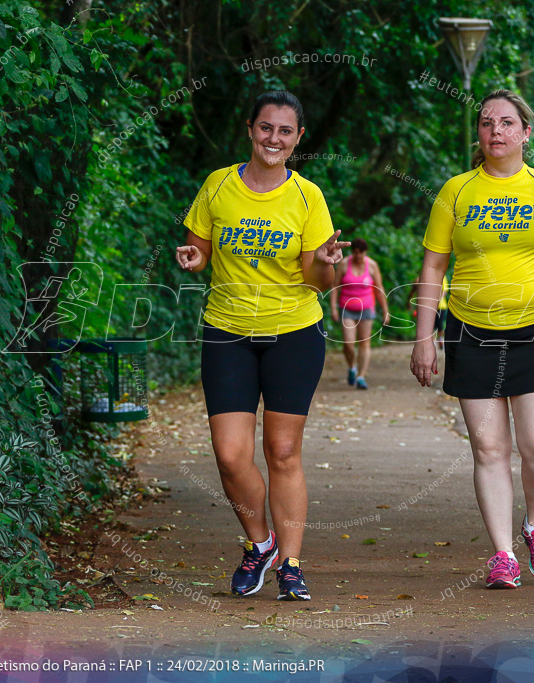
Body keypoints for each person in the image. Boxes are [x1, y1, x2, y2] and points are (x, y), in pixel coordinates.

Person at [410, 88, 534, 589]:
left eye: (507, 123)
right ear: (480, 133)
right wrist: (424, 337)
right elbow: (433, 264)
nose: (496, 131)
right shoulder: (456, 191)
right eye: (487, 123)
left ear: (525, 132)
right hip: (470, 331)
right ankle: (503, 554)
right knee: (489, 449)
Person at [177, 91, 350, 600]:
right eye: (266, 128)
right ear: (250, 128)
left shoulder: (307, 197)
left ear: (299, 139)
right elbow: (200, 250)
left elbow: (316, 281)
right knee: (230, 455)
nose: (274, 139)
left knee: (282, 450)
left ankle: (290, 565)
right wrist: (191, 259)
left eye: (285, 131)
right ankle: (260, 544)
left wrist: (325, 260)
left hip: (293, 333)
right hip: (227, 331)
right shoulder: (218, 186)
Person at [330, 238, 391, 390]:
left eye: (360, 252)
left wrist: (385, 311)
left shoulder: (372, 265)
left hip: (367, 309)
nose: (358, 255)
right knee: (348, 344)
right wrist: (333, 308)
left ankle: (361, 376)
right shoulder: (344, 264)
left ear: (365, 252)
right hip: (347, 309)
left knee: (365, 342)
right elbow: (335, 286)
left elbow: (379, 288)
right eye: (355, 252)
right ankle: (352, 367)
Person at [409, 274, 450, 349]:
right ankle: (432, 342)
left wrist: (438, 300)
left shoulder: (443, 276)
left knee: (440, 325)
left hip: (441, 306)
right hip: (429, 307)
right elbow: (415, 291)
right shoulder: (424, 276)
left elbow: (444, 290)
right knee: (431, 325)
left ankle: (440, 339)